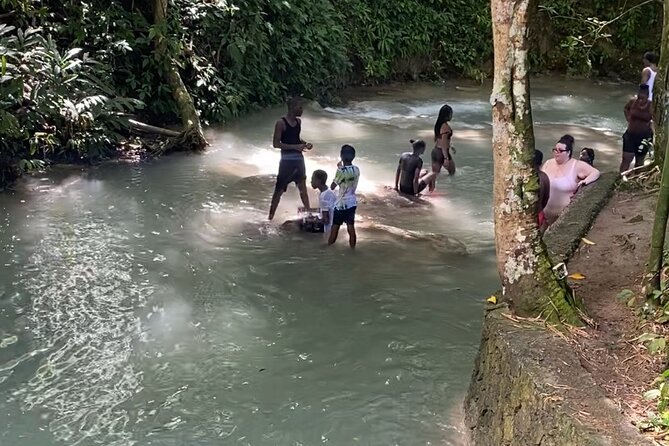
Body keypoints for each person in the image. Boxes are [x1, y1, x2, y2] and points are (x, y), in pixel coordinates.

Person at [268, 97, 313, 220]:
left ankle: (309, 214)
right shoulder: (281, 123)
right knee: (279, 191)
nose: (302, 110)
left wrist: (305, 144)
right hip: (286, 163)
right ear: (293, 108)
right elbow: (276, 144)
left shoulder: (298, 122)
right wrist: (296, 147)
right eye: (300, 107)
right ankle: (270, 217)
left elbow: (296, 138)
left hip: (299, 161)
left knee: (303, 189)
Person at [542, 135, 601, 226]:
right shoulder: (548, 163)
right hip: (545, 213)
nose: (557, 153)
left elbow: (595, 172)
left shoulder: (576, 165)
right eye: (555, 150)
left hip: (563, 215)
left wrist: (585, 181)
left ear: (568, 152)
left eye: (560, 151)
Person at [328, 145, 360, 248]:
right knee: (351, 227)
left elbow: (332, 186)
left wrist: (339, 170)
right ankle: (352, 248)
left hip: (341, 204)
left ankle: (328, 247)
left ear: (341, 156)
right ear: (353, 156)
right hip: (352, 202)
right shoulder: (356, 169)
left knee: (335, 227)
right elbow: (349, 176)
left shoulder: (340, 171)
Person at [621, 84, 654, 173]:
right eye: (639, 97)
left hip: (644, 137)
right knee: (626, 158)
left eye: (642, 98)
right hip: (630, 135)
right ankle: (619, 179)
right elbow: (626, 108)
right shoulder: (633, 101)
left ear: (647, 97)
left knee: (639, 162)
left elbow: (656, 119)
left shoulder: (651, 106)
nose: (640, 100)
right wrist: (628, 118)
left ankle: (636, 181)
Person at [428, 104, 455, 191]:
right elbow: (443, 143)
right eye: (450, 113)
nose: (451, 115)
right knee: (452, 173)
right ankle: (449, 189)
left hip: (436, 151)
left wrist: (451, 146)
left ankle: (430, 191)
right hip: (442, 152)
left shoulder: (438, 124)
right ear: (447, 115)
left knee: (434, 175)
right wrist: (446, 158)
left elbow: (438, 139)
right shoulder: (445, 127)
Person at [311, 169, 336, 235]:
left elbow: (326, 220)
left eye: (313, 179)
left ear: (319, 181)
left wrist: (316, 220)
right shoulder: (328, 191)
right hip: (334, 225)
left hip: (327, 229)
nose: (311, 182)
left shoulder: (324, 196)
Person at [534, 150, 550, 229]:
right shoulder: (544, 177)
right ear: (540, 163)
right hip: (539, 213)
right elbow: (546, 197)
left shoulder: (522, 177)